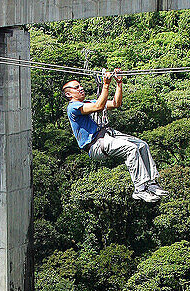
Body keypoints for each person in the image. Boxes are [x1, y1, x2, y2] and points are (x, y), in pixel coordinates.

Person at [62, 70, 166, 203]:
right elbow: (99, 107)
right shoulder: (73, 107)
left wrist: (119, 83)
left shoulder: (88, 102)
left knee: (142, 145)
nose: (81, 88)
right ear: (68, 94)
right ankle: (139, 189)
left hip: (107, 136)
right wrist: (106, 85)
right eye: (77, 88)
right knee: (131, 149)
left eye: (80, 86)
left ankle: (150, 183)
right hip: (96, 145)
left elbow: (116, 104)